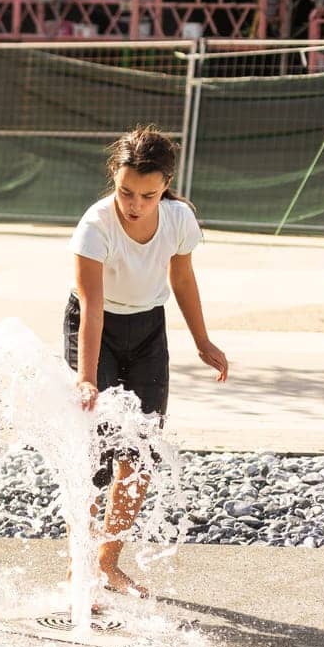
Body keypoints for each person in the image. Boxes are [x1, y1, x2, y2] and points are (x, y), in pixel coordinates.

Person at [65, 125, 228, 600]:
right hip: (96, 331)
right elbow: (91, 308)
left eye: (147, 194)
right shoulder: (95, 226)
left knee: (140, 456)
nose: (134, 204)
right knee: (92, 455)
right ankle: (78, 569)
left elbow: (182, 280)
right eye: (125, 191)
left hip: (148, 332)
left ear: (166, 186)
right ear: (114, 178)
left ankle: (107, 563)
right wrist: (86, 379)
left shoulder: (178, 220)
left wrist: (202, 340)